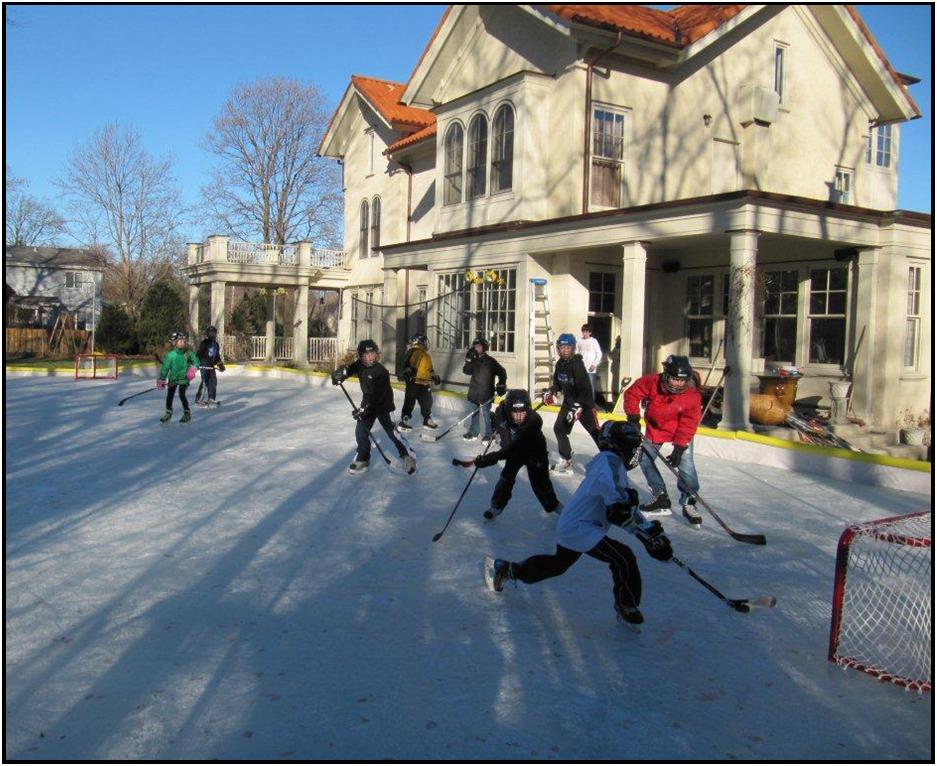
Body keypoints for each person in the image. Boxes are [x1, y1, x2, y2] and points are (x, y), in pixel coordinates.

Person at [483, 421, 673, 628]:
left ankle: (507, 569)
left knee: (558, 565)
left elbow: (623, 507)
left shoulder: (614, 464)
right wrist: (643, 533)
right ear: (614, 445)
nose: (632, 451)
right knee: (623, 558)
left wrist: (648, 532)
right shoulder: (608, 461)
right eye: (628, 445)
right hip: (581, 527)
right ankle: (627, 606)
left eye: (633, 445)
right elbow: (618, 504)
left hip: (578, 525)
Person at [624, 354, 704, 526]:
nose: (678, 384)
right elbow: (632, 393)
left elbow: (689, 423)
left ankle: (689, 500)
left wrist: (680, 448)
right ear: (667, 375)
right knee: (644, 458)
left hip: (679, 432)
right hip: (656, 428)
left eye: (682, 380)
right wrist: (633, 415)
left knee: (686, 466)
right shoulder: (652, 382)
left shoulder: (692, 396)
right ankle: (660, 496)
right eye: (674, 379)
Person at [472, 389, 562, 520]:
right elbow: (506, 441)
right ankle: (496, 506)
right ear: (508, 410)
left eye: (523, 412)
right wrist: (496, 424)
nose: (519, 416)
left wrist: (490, 458)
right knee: (506, 478)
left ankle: (555, 506)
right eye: (515, 412)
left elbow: (511, 448)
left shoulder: (534, 422)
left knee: (541, 484)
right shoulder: (502, 415)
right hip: (514, 451)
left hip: (535, 451)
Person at [331, 339, 417, 475]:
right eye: (367, 354)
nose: (371, 357)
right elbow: (350, 369)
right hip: (368, 404)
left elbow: (377, 395)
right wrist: (341, 374)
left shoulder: (381, 372)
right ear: (361, 356)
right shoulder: (359, 365)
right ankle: (363, 458)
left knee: (392, 433)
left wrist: (363, 409)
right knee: (360, 432)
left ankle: (408, 456)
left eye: (373, 353)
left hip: (384, 405)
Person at [545, 333, 601, 473]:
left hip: (585, 405)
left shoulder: (577, 365)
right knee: (559, 429)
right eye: (562, 347)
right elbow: (558, 384)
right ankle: (566, 460)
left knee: (596, 433)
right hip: (569, 404)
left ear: (573, 348)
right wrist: (551, 391)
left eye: (568, 347)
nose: (564, 350)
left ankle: (612, 463)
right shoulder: (559, 364)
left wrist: (579, 405)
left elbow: (584, 388)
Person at [462, 336, 507, 444]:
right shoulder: (474, 359)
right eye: (475, 346)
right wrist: (468, 361)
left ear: (484, 347)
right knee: (474, 413)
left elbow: (502, 372)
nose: (476, 348)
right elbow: (466, 371)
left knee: (486, 415)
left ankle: (489, 434)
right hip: (474, 392)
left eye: (478, 346)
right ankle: (473, 432)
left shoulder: (490, 361)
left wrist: (501, 384)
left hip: (486, 393)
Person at [397, 334, 440, 431]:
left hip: (424, 383)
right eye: (425, 341)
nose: (426, 343)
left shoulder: (426, 355)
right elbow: (407, 364)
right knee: (409, 402)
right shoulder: (413, 351)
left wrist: (434, 376)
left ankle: (427, 420)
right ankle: (404, 420)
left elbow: (430, 369)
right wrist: (407, 372)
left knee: (427, 402)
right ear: (420, 342)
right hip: (414, 382)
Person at [157, 332, 199, 423]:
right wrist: (162, 379)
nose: (182, 342)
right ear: (174, 343)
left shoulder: (188, 353)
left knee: (181, 394)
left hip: (184, 378)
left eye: (183, 341)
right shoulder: (170, 355)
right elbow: (165, 368)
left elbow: (196, 361)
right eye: (179, 341)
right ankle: (168, 412)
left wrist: (193, 369)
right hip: (173, 378)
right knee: (170, 394)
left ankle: (187, 413)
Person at [195, 325, 225, 407]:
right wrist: (197, 363)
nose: (213, 335)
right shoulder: (204, 343)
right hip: (204, 365)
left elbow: (217, 357)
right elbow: (199, 354)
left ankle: (211, 398)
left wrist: (220, 365)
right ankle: (199, 399)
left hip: (211, 366)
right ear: (208, 334)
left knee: (213, 381)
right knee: (205, 382)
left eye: (214, 333)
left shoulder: (216, 344)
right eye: (211, 333)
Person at [576, 323, 603, 400]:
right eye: (583, 331)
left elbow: (599, 353)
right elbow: (577, 353)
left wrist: (594, 364)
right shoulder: (579, 341)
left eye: (587, 331)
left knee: (590, 388)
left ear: (590, 332)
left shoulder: (593, 341)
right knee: (581, 388)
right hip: (581, 369)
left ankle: (591, 406)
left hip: (590, 369)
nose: (585, 333)